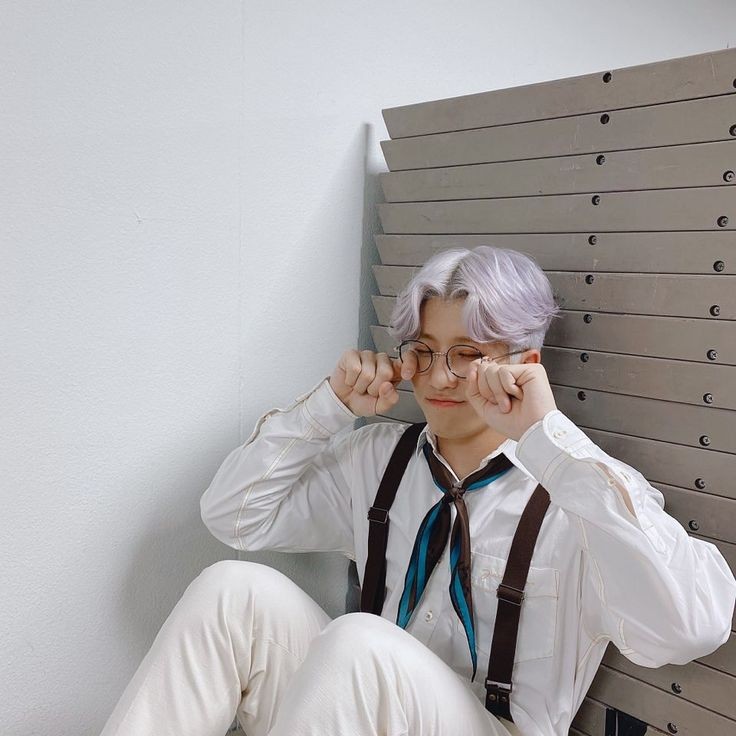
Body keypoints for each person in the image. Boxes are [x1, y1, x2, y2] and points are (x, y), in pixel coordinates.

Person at [99, 246, 736, 736]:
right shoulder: (379, 458)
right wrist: (326, 409)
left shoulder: (578, 493)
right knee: (233, 591)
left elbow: (690, 628)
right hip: (356, 709)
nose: (437, 378)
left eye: (467, 354)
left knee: (358, 643)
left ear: (524, 365)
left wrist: (550, 439)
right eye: (424, 351)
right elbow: (234, 517)